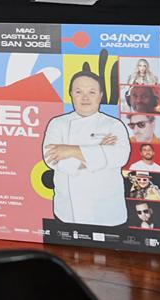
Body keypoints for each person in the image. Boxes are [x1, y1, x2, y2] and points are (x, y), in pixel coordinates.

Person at [42, 71, 130, 225]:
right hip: (67, 211)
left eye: (91, 92)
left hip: (107, 212)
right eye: (78, 92)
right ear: (71, 94)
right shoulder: (57, 124)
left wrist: (70, 150)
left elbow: (119, 157)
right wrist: (99, 153)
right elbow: (51, 159)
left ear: (100, 95)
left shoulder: (114, 125)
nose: (85, 97)